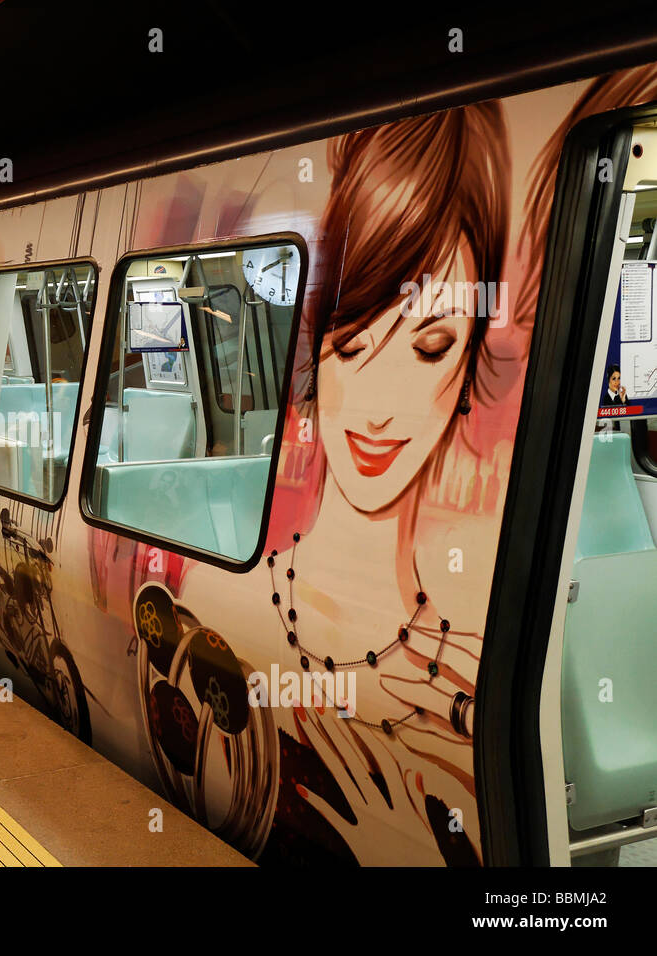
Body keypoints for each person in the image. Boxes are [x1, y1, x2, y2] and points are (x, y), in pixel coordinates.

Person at [264, 101, 513, 866]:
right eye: (356, 337)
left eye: (432, 346)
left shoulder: (471, 687)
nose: (383, 408)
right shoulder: (232, 594)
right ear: (316, 344)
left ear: (469, 359)